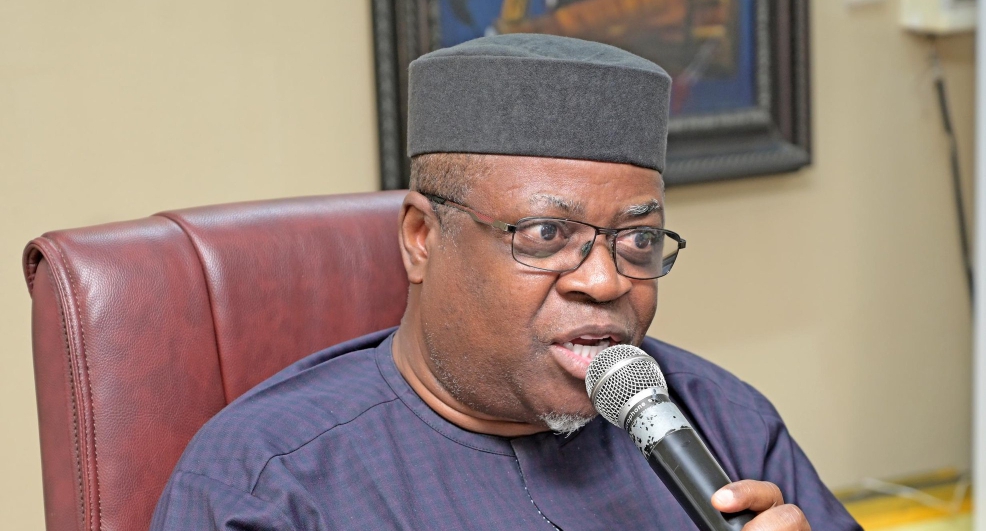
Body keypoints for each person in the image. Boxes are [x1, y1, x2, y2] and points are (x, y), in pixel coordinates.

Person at [151, 34, 860, 530]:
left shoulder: (724, 421)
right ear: (422, 237)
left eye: (639, 239)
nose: (605, 280)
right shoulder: (270, 481)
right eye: (546, 234)